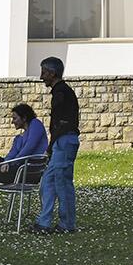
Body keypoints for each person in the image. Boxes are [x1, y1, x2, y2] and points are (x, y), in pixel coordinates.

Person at [31, 56, 80, 234]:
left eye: (44, 72)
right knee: (48, 182)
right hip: (61, 141)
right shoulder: (61, 91)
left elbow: (62, 122)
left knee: (62, 182)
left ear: (52, 73)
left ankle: (67, 224)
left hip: (64, 141)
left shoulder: (61, 93)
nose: (41, 76)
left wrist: (52, 144)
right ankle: (44, 222)